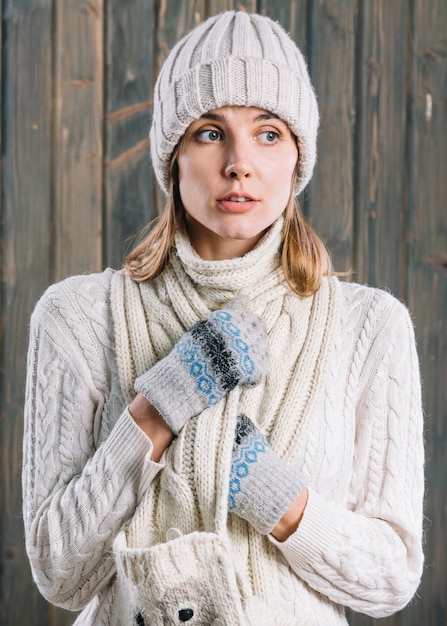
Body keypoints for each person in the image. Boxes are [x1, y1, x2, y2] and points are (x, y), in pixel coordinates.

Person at [22, 10, 424, 626]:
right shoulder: (77, 318)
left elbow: (391, 578)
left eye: (268, 134)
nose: (239, 162)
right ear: (173, 156)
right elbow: (60, 574)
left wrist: (268, 491)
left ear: (297, 157)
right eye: (210, 133)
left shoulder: (369, 329)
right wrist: (156, 411)